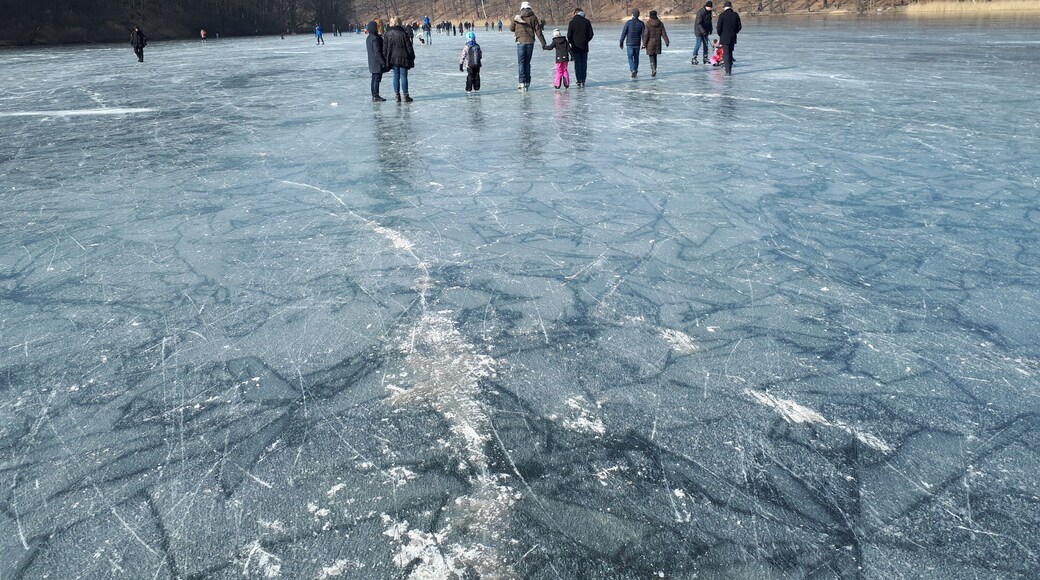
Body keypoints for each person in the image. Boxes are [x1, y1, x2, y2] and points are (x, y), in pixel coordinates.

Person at [510, 1, 547, 91]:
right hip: (530, 42)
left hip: (520, 42)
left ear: (521, 8)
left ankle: (522, 82)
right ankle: (527, 82)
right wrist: (543, 43)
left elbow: (511, 28)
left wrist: (514, 21)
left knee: (521, 63)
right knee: (527, 63)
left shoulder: (517, 17)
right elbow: (538, 31)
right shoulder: (533, 17)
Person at [384, 16, 416, 102]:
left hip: (393, 58)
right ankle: (406, 95)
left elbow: (385, 48)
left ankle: (397, 95)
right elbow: (409, 46)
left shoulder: (387, 34)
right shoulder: (403, 33)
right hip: (403, 57)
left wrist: (386, 57)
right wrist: (412, 56)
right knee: (403, 76)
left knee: (396, 76)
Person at [566, 8, 594, 88]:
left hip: (575, 46)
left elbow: (569, 35)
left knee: (577, 64)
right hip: (584, 46)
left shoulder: (572, 22)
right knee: (584, 63)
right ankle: (583, 80)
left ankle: (579, 80)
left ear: (575, 13)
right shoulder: (587, 22)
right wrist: (586, 40)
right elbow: (591, 34)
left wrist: (572, 42)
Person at [716, 0, 741, 75]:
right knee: (730, 52)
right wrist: (734, 32)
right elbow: (739, 27)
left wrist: (720, 34)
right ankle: (730, 69)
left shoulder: (722, 15)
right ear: (731, 7)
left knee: (726, 54)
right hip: (732, 37)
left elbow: (718, 28)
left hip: (724, 37)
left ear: (724, 8)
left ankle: (728, 71)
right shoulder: (735, 15)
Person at [366, 20, 388, 102]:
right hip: (376, 62)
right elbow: (377, 52)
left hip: (372, 62)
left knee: (374, 78)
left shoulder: (369, 37)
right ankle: (375, 95)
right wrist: (383, 62)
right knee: (377, 79)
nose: (377, 28)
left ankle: (374, 94)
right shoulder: (375, 38)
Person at [619, 9, 645, 78]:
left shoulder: (628, 23)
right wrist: (644, 43)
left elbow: (624, 32)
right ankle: (635, 69)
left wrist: (621, 42)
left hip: (629, 43)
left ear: (633, 15)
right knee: (636, 57)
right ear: (638, 15)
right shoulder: (641, 23)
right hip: (637, 43)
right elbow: (643, 35)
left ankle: (633, 69)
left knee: (630, 57)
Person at [643, 10, 669, 77]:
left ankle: (653, 69)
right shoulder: (660, 23)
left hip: (650, 43)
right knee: (655, 56)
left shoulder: (648, 24)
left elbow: (646, 35)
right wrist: (667, 41)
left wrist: (644, 44)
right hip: (658, 42)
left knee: (651, 56)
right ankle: (655, 69)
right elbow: (663, 33)